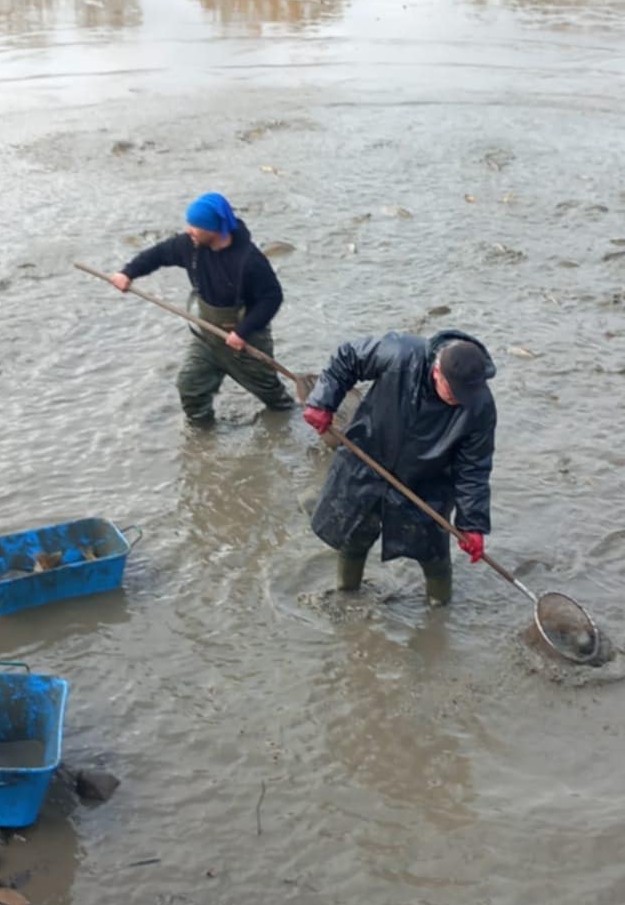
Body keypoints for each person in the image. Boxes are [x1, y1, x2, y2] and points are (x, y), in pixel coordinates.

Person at [302, 329, 497, 605]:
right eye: (454, 392)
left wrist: (472, 523)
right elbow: (347, 358)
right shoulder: (401, 353)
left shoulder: (480, 406)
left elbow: (474, 468)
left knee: (434, 553)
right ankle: (347, 595)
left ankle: (439, 610)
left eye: (467, 394)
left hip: (426, 481)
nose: (461, 400)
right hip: (366, 459)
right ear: (437, 372)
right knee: (353, 536)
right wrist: (323, 401)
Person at [110, 192, 295, 425]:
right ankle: (203, 438)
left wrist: (243, 331)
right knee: (189, 386)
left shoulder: (250, 260)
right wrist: (128, 273)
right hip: (206, 335)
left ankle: (287, 424)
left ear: (214, 229)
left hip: (246, 342)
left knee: (275, 399)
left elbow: (272, 298)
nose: (189, 230)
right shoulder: (190, 246)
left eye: (195, 226)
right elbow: (157, 255)